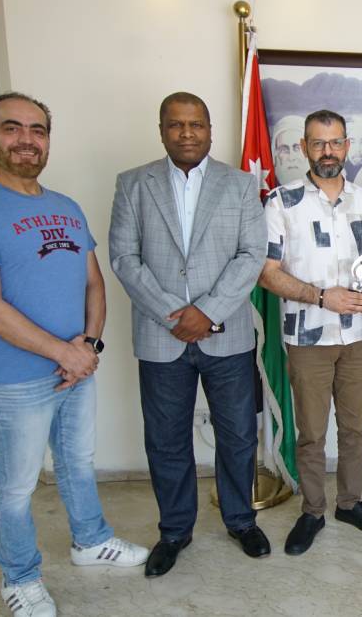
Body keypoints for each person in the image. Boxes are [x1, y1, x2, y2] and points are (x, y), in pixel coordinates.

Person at [0, 92, 147, 617]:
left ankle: (90, 540)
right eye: (12, 128)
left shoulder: (66, 207)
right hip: (14, 380)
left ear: (48, 140)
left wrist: (89, 346)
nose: (26, 140)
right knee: (16, 487)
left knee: (77, 463)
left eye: (38, 130)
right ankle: (20, 577)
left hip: (76, 368)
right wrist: (64, 352)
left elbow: (94, 284)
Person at [109, 92, 269, 577]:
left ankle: (241, 520)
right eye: (176, 124)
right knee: (166, 440)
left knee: (238, 435)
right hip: (162, 337)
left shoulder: (240, 184)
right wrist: (174, 316)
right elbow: (124, 258)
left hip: (228, 335)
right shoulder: (133, 184)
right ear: (161, 130)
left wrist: (208, 311)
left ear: (210, 130)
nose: (186, 133)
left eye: (196, 124)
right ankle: (175, 530)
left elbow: (251, 255)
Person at [259, 109, 362, 555]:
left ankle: (350, 503)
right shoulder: (280, 202)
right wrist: (320, 297)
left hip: (357, 336)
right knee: (312, 433)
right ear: (304, 148)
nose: (328, 151)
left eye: (335, 143)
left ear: (347, 146)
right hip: (308, 338)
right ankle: (313, 511)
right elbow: (267, 273)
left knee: (355, 430)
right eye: (318, 143)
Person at [271, 114, 307, 186]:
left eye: (297, 148)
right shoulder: (272, 193)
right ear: (275, 155)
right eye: (284, 149)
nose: (291, 158)